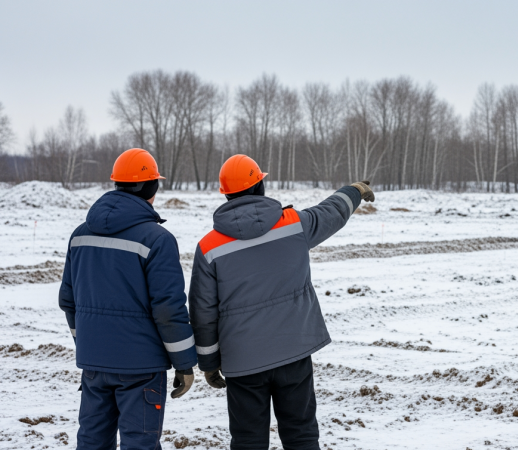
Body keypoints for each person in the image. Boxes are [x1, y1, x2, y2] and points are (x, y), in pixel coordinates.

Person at [189, 154, 374, 450]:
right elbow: (331, 212)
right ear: (260, 186)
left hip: (243, 362)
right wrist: (353, 191)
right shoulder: (294, 225)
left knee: (248, 440)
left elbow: (202, 312)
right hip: (294, 351)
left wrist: (209, 363)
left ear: (226, 194)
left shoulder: (209, 247)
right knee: (301, 435)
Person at [58, 148, 197, 449]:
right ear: (152, 187)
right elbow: (168, 310)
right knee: (139, 443)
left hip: (94, 364)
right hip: (141, 367)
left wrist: (88, 342)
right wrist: (185, 363)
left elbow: (68, 301)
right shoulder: (158, 239)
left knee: (92, 441)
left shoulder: (79, 235)